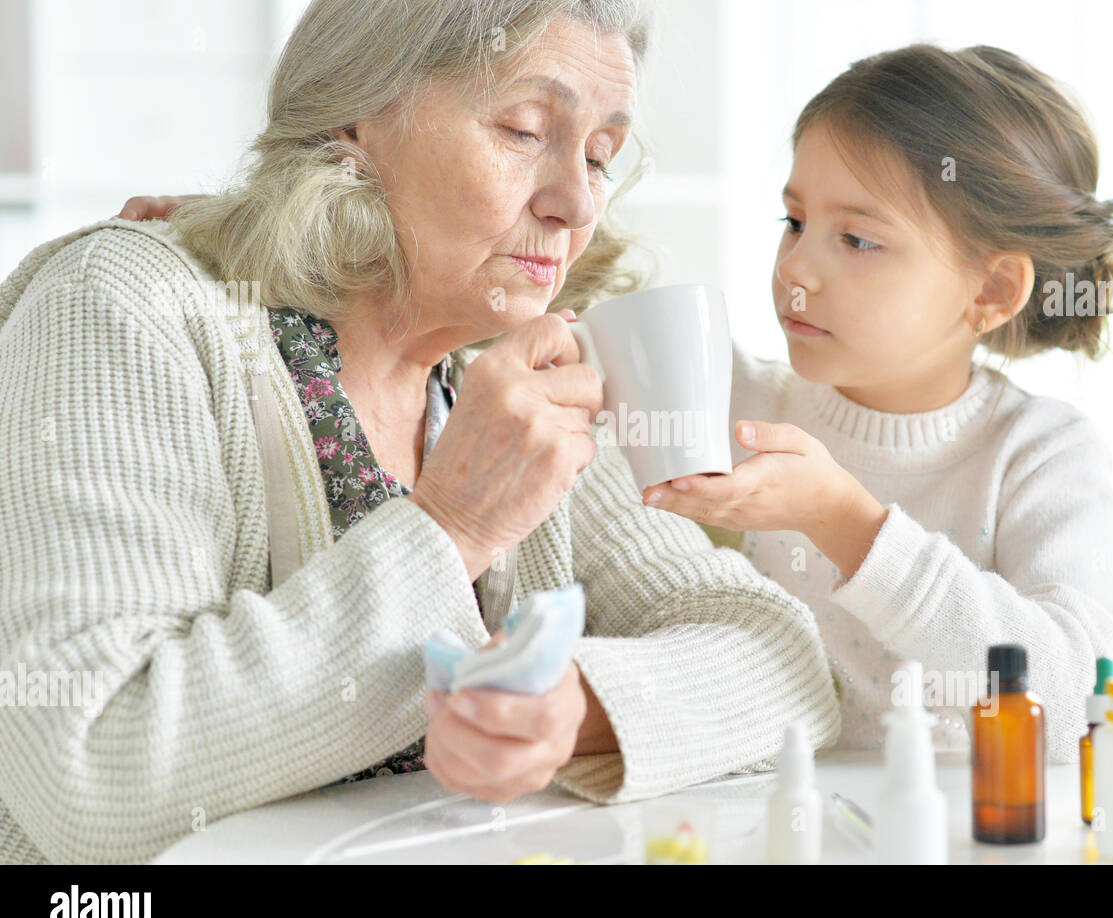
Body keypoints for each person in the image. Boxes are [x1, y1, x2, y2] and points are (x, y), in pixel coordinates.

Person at [0, 0, 838, 865]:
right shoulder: (125, 304)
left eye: (600, 155)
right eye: (522, 129)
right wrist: (455, 529)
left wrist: (575, 712)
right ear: (352, 116)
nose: (576, 201)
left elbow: (779, 657)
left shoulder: (495, 373)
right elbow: (88, 769)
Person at [643, 44, 1113, 761]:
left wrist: (846, 523)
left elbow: (1067, 711)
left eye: (856, 238)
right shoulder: (742, 398)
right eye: (794, 222)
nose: (797, 268)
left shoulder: (1042, 452)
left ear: (992, 291)